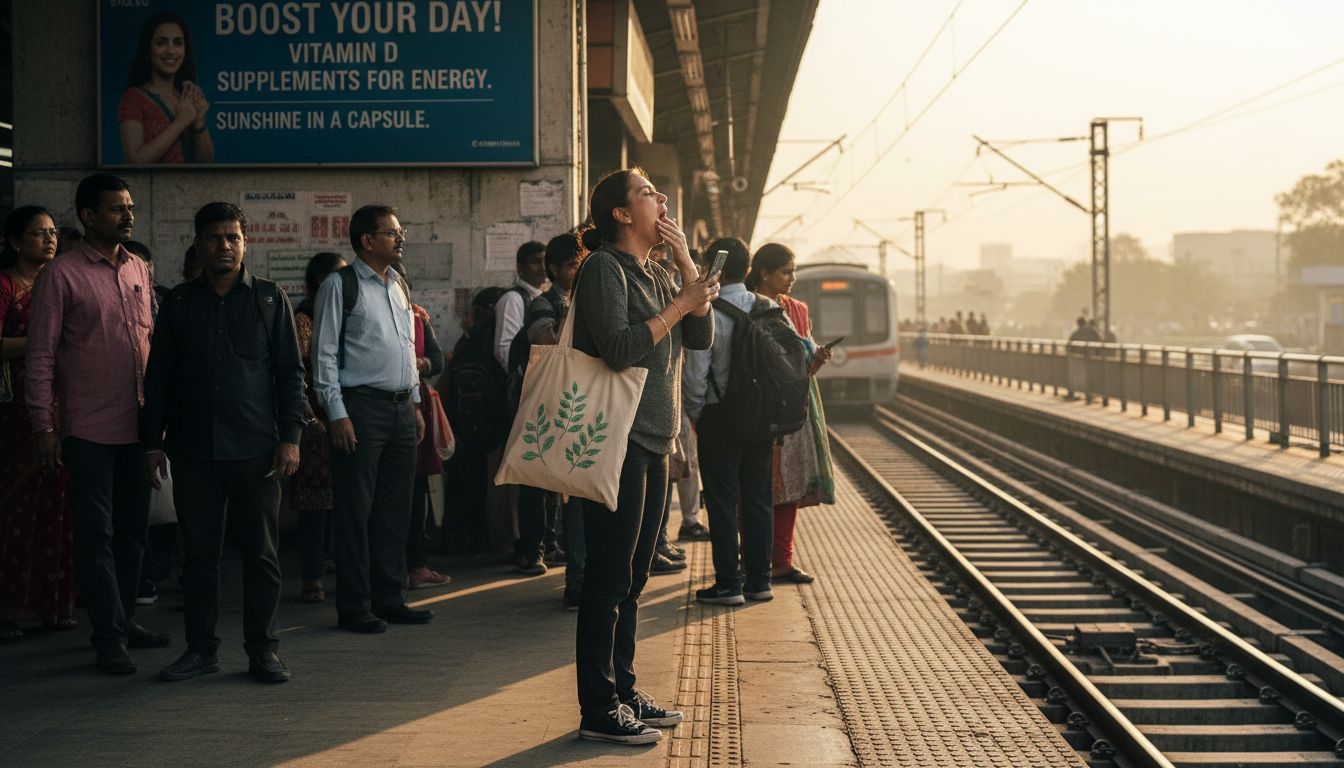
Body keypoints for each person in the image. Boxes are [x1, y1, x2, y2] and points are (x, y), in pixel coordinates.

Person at [571, 168, 715, 745]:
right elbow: (620, 348)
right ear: (621, 215)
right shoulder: (604, 268)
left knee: (633, 579)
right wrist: (680, 303)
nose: (661, 198)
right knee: (606, 580)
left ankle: (623, 689)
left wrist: (684, 271)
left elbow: (700, 341)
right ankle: (597, 708)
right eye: (648, 192)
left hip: (654, 439)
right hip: (616, 439)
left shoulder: (655, 272)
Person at [141, 202, 304, 683]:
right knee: (200, 558)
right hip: (193, 452)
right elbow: (159, 379)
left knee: (261, 555)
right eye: (215, 238)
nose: (225, 246)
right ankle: (200, 649)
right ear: (199, 244)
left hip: (257, 450)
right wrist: (152, 444)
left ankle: (264, 649)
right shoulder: (180, 303)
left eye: (233, 237)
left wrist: (290, 438)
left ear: (246, 242)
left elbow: (290, 376)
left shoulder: (271, 299)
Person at [25, 173, 171, 674]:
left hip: (139, 426)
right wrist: (44, 425)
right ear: (88, 215)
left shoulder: (139, 268)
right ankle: (108, 636)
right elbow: (40, 356)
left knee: (133, 533)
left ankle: (125, 621)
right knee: (96, 537)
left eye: (129, 207)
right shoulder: (60, 275)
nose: (128, 215)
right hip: (87, 427)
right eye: (116, 209)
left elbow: (151, 344)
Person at [311, 205, 429, 634]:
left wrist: (414, 404)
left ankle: (389, 597)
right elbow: (323, 355)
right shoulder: (339, 286)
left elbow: (405, 349)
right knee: (356, 512)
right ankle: (355, 605)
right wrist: (336, 413)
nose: (400, 239)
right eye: (391, 233)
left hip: (400, 408)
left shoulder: (399, 283)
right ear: (366, 240)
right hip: (359, 408)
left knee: (395, 511)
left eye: (400, 232)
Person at [684, 237, 777, 606]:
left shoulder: (708, 310)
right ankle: (760, 581)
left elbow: (695, 374)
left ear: (714, 268)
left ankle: (728, 585)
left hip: (719, 416)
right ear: (750, 268)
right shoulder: (769, 307)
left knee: (722, 501)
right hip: (761, 417)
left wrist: (696, 415)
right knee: (758, 497)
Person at [0, 207, 76, 640]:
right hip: (16, 414)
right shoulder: (7, 285)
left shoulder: (61, 282)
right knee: (18, 506)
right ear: (14, 242)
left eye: (52, 233)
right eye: (37, 233)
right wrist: (43, 338)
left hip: (65, 406)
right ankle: (11, 607)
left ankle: (54, 603)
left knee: (58, 505)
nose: (49, 240)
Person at [744, 243, 837, 585]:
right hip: (757, 407)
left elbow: (804, 364)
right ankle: (750, 557)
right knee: (754, 488)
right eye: (786, 272)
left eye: (794, 271)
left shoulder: (797, 310)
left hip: (794, 409)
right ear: (765, 273)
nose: (792, 278)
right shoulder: (747, 306)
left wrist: (817, 360)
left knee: (790, 488)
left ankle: (781, 560)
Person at [518, 232, 586, 607]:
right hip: (557, 405)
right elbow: (543, 339)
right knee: (567, 490)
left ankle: (576, 567)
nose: (579, 270)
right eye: (574, 264)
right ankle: (571, 576)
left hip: (581, 403)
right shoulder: (545, 303)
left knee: (578, 491)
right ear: (555, 269)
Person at [392, 262, 450, 591]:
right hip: (374, 412)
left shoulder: (417, 318)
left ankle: (415, 564)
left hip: (416, 412)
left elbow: (438, 361)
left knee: (416, 491)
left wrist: (418, 363)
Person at [292, 252, 345, 603]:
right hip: (315, 423)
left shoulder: (342, 314)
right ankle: (311, 575)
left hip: (345, 417)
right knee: (315, 503)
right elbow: (296, 373)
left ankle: (333, 561)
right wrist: (310, 419)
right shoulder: (304, 319)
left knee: (342, 499)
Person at [441, 287, 506, 554]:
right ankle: (470, 535)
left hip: (468, 422)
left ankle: (468, 534)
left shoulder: (472, 337)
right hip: (475, 424)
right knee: (472, 482)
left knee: (469, 481)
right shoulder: (482, 337)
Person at [118, 12, 214, 164]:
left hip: (191, 187)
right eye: (161, 43)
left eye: (177, 43)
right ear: (148, 50)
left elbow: (206, 161)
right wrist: (181, 122)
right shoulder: (134, 98)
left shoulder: (185, 99)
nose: (170, 51)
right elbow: (135, 160)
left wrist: (198, 120)